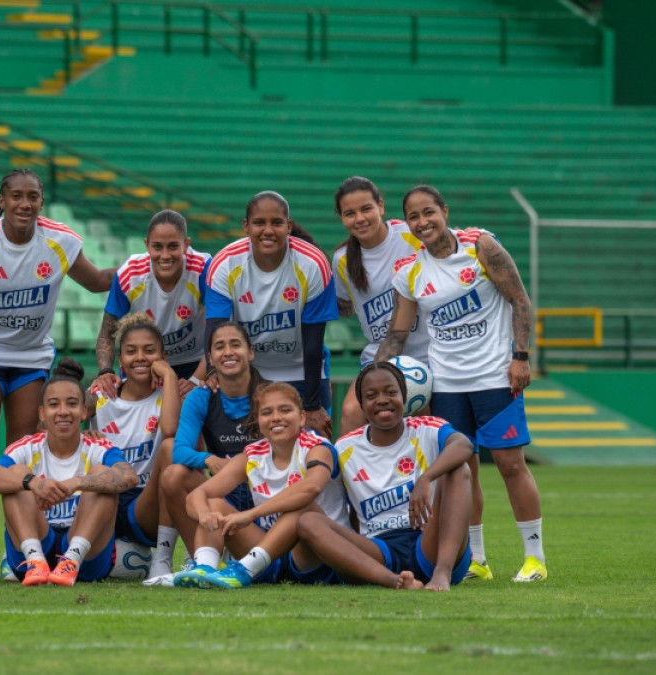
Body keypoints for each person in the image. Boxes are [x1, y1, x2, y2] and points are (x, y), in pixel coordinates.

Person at [0, 168, 115, 579]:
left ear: (41, 203)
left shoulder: (60, 241)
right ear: (2, 199)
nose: (24, 204)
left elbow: (97, 282)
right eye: (15, 196)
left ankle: (12, 550)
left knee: (21, 452)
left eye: (32, 196)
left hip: (32, 357)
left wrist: (146, 269)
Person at [375, 185, 546, 583]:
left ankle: (534, 557)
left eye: (429, 212)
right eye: (414, 217)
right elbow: (398, 332)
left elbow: (520, 299)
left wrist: (521, 357)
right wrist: (375, 372)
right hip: (446, 385)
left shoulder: (480, 246)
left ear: (444, 211)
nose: (422, 222)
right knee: (459, 473)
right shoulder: (410, 273)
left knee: (509, 464)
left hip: (494, 377)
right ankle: (477, 560)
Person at [297, 362, 474, 591]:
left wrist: (425, 479)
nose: (382, 400)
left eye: (391, 392)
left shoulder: (426, 428)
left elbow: (463, 444)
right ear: (361, 404)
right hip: (380, 550)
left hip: (431, 542)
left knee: (459, 470)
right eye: (371, 395)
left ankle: (441, 574)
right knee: (308, 521)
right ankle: (394, 582)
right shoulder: (344, 449)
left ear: (404, 396)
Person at [175, 382, 348, 589]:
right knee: (212, 503)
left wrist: (251, 514)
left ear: (302, 417)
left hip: (316, 556)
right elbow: (197, 495)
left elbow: (312, 487)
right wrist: (204, 515)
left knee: (302, 508)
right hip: (269, 556)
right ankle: (204, 570)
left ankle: (242, 570)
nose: (276, 417)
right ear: (258, 420)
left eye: (285, 410)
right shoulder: (253, 454)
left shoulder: (317, 446)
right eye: (267, 412)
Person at [0, 359, 138, 586]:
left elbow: (128, 476)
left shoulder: (98, 447)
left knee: (101, 474)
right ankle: (35, 562)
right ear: (42, 413)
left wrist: (77, 482)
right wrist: (32, 482)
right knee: (17, 474)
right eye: (54, 405)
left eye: (72, 404)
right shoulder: (27, 446)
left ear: (84, 411)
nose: (63, 412)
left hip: (87, 555)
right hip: (36, 542)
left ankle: (70, 562)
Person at [205, 191, 338, 437]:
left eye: (276, 223)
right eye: (259, 223)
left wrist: (312, 406)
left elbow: (313, 343)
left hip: (302, 369)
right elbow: (216, 331)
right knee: (250, 455)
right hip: (248, 372)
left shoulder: (312, 263)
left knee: (314, 449)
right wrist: (214, 374)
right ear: (246, 226)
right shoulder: (224, 264)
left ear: (288, 226)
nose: (268, 230)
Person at [153, 321, 262, 585]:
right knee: (173, 475)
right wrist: (209, 460)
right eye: (219, 347)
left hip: (262, 500)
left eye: (235, 344)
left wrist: (243, 467)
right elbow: (179, 451)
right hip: (223, 494)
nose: (228, 352)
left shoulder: (269, 395)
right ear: (210, 358)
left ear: (250, 352)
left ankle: (243, 557)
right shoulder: (202, 397)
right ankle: (201, 559)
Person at [330, 176, 430, 436]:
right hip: (381, 357)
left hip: (427, 354)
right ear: (341, 218)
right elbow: (346, 307)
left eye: (366, 209)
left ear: (381, 206)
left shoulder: (410, 235)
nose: (360, 219)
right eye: (349, 213)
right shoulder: (342, 260)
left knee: (426, 425)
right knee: (352, 411)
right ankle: (341, 478)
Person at [91, 313, 181, 579]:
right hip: (106, 495)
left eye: (149, 351)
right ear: (120, 361)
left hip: (147, 502)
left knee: (173, 448)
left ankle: (162, 562)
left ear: (163, 358)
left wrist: (171, 378)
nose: (140, 357)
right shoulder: (101, 396)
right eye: (131, 351)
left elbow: (171, 430)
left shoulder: (170, 397)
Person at [93, 209, 210, 399]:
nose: (165, 256)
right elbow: (107, 332)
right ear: (147, 245)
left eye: (173, 246)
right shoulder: (129, 275)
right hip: (144, 366)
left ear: (186, 245)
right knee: (95, 398)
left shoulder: (204, 270)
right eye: (157, 247)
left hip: (196, 363)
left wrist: (195, 380)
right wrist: (105, 371)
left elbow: (217, 331)